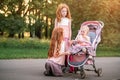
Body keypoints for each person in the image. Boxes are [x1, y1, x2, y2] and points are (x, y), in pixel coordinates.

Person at [54, 3, 73, 73]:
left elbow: (69, 29)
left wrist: (70, 39)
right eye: (62, 11)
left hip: (66, 38)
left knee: (66, 51)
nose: (64, 13)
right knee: (60, 50)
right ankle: (59, 64)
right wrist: (55, 38)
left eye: (65, 11)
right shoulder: (57, 19)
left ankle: (68, 66)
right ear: (59, 11)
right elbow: (55, 29)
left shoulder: (68, 20)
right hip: (59, 38)